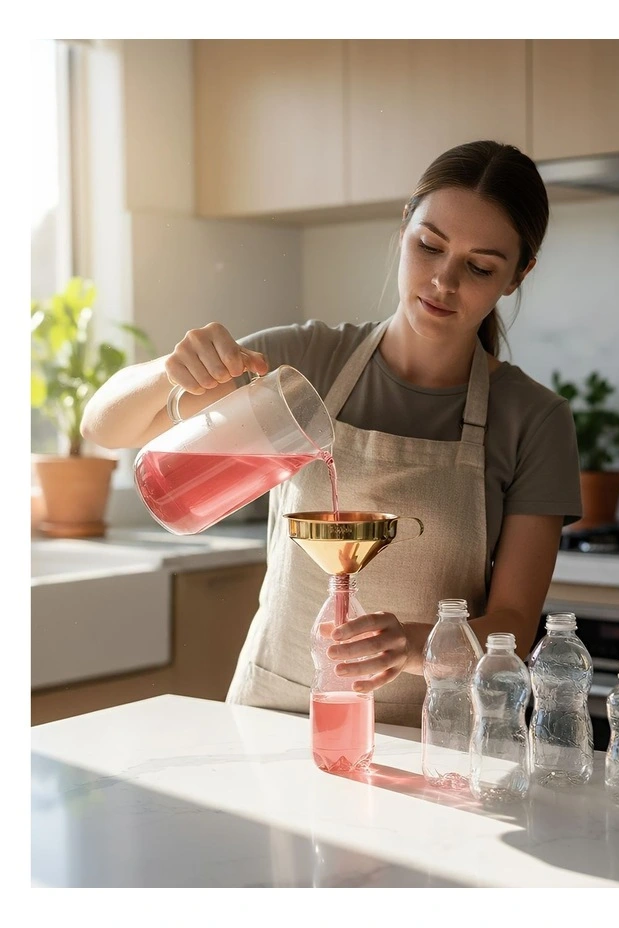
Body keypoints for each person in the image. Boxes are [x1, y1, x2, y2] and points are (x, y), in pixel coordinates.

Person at [81, 140, 582, 728]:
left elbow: (515, 627)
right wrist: (170, 368)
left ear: (517, 275)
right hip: (274, 721)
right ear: (403, 230)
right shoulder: (300, 364)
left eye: (479, 266)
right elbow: (105, 428)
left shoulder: (534, 420)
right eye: (429, 246)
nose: (443, 281)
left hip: (429, 741)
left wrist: (416, 645)